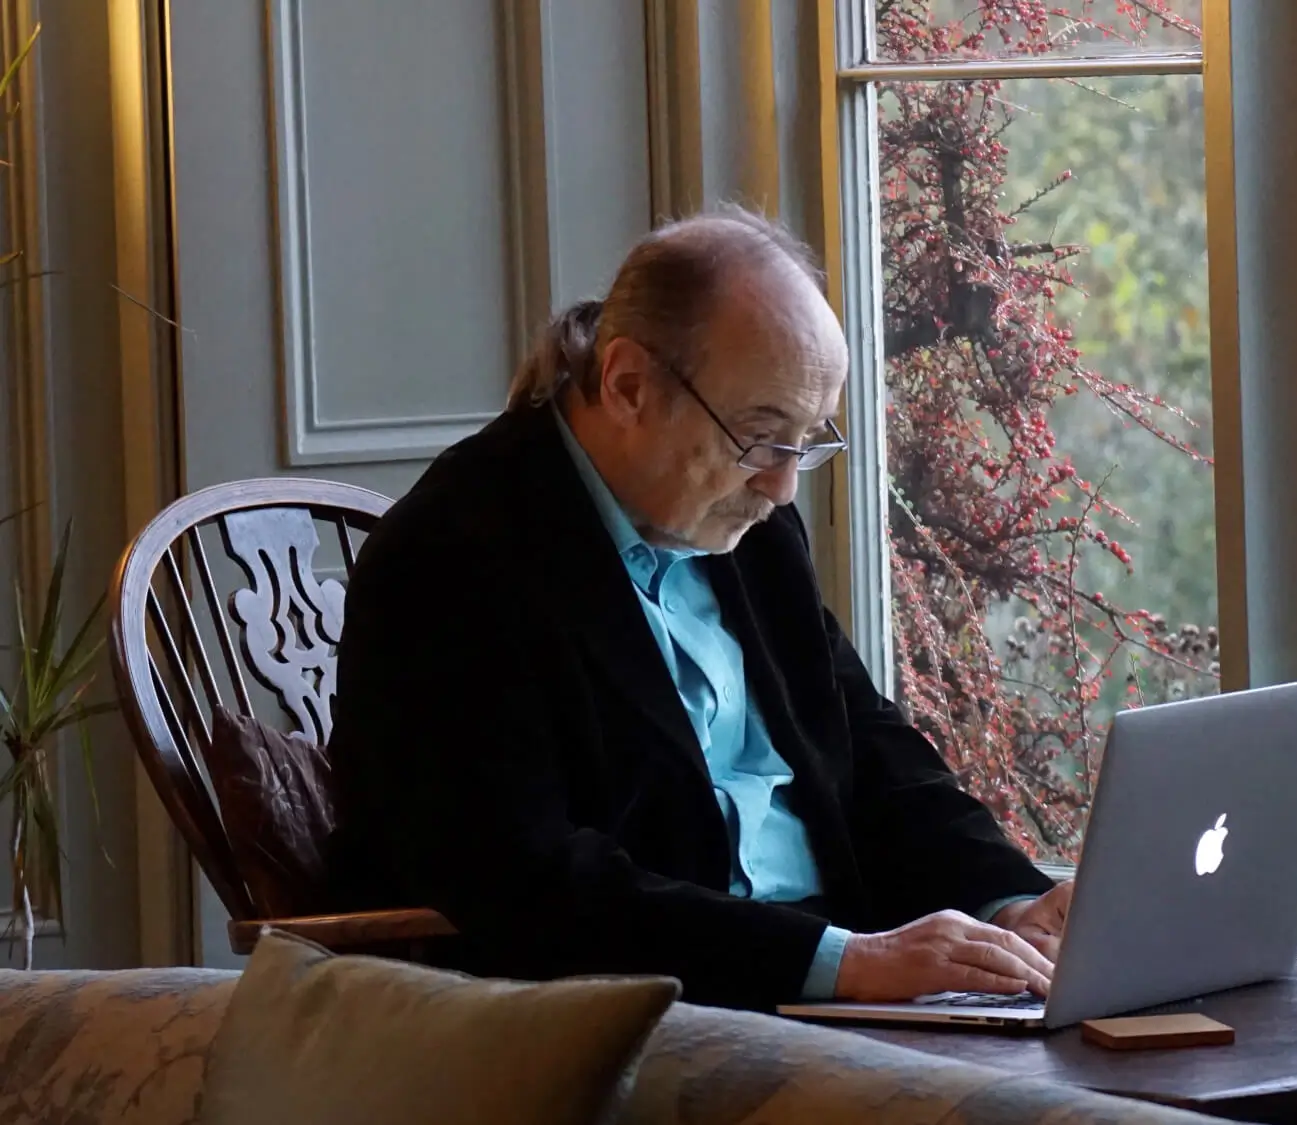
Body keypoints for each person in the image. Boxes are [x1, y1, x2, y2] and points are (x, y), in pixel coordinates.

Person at [326, 207, 1071, 1012]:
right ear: (628, 386)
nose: (783, 485)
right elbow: (529, 884)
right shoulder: (450, 559)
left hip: (834, 989)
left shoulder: (747, 524)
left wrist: (1011, 901)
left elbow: (864, 745)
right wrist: (845, 962)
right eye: (759, 437)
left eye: (805, 441)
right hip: (640, 1017)